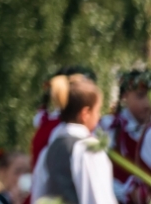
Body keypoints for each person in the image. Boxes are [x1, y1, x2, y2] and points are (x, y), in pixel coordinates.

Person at [32, 74, 115, 204]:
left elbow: (38, 196)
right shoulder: (88, 148)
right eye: (97, 111)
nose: (99, 117)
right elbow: (99, 198)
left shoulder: (49, 149)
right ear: (85, 114)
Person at [104, 69, 151, 203]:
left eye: (149, 95)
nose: (147, 103)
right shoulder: (110, 128)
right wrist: (126, 192)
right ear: (125, 96)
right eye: (140, 96)